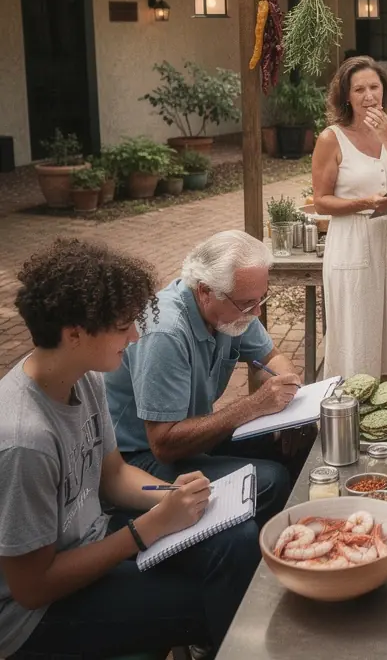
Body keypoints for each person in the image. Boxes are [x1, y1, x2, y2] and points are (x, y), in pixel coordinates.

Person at [0, 239, 260, 659]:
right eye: (123, 326)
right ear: (75, 334)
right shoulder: (24, 441)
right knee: (209, 596)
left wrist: (169, 496)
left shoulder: (83, 378)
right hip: (35, 621)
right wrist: (148, 529)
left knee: (237, 538)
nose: (136, 334)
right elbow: (31, 589)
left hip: (95, 540)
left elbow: (115, 475)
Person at [104, 230, 310, 527]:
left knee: (297, 440)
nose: (257, 311)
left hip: (191, 436)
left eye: (261, 298)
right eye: (247, 304)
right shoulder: (165, 332)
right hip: (138, 459)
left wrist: (292, 407)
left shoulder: (232, 307)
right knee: (267, 481)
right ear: (204, 291)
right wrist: (253, 406)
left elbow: (271, 359)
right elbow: (163, 444)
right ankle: (247, 552)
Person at [312, 55, 387, 379]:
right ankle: (353, 405)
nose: (368, 96)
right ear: (345, 96)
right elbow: (321, 202)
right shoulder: (331, 138)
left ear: (384, 90)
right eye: (359, 89)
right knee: (357, 330)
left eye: (374, 87)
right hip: (353, 240)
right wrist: (362, 201)